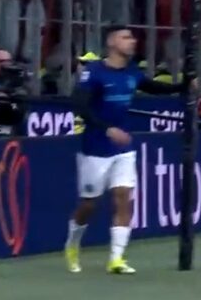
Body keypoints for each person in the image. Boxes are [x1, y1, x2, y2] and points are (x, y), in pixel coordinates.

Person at [64, 25, 193, 274]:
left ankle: (116, 258)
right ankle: (72, 243)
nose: (132, 41)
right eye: (125, 37)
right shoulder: (94, 72)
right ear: (111, 43)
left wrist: (183, 85)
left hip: (123, 147)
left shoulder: (132, 71)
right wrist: (106, 129)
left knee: (123, 197)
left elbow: (152, 87)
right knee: (89, 203)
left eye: (132, 37)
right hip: (95, 148)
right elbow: (80, 106)